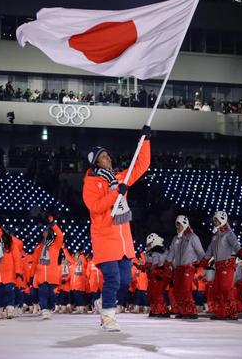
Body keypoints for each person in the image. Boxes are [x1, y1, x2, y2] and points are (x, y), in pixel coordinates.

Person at [82, 125, 151, 331]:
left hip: (123, 240)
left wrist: (145, 140)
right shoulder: (91, 183)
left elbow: (142, 165)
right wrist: (116, 194)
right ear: (95, 162)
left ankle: (104, 302)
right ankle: (108, 317)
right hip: (104, 238)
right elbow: (95, 207)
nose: (108, 158)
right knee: (112, 278)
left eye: (108, 155)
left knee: (125, 280)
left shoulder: (119, 178)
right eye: (103, 157)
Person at [199, 211, 242, 320]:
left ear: (222, 220)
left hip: (227, 264)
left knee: (225, 289)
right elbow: (210, 250)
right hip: (218, 266)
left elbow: (235, 245)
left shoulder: (229, 233)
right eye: (214, 220)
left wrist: (240, 251)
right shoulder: (215, 236)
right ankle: (221, 312)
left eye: (216, 220)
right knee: (217, 289)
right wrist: (205, 260)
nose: (215, 222)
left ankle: (232, 313)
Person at [166, 215, 205, 319]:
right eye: (176, 225)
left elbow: (200, 252)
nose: (178, 227)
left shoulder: (192, 237)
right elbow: (171, 253)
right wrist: (166, 264)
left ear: (185, 224)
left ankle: (191, 311)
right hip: (178, 268)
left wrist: (205, 262)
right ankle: (183, 310)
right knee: (176, 290)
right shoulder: (176, 238)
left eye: (179, 225)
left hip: (188, 267)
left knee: (184, 289)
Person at [30, 215, 64, 320]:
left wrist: (53, 223)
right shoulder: (38, 248)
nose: (45, 233)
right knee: (43, 293)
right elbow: (35, 262)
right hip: (41, 275)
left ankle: (49, 308)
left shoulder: (56, 245)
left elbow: (60, 235)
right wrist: (31, 275)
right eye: (43, 232)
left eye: (47, 232)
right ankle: (44, 310)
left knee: (51, 295)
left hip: (52, 274)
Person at [142, 233, 171, 317]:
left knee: (157, 293)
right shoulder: (149, 252)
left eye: (150, 244)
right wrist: (145, 267)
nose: (148, 246)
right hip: (154, 275)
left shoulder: (161, 251)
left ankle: (163, 310)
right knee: (151, 293)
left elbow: (160, 264)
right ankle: (156, 309)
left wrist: (152, 268)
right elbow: (150, 264)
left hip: (160, 275)